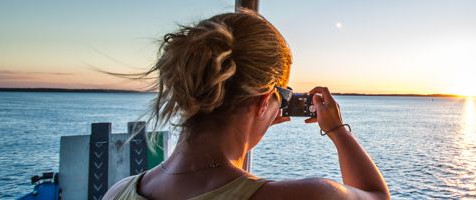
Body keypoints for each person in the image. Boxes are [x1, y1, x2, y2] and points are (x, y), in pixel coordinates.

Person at [102, 10, 389, 200]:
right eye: (282, 97)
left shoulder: (117, 193)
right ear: (265, 100)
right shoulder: (311, 195)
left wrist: (251, 127)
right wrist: (338, 129)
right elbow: (375, 196)